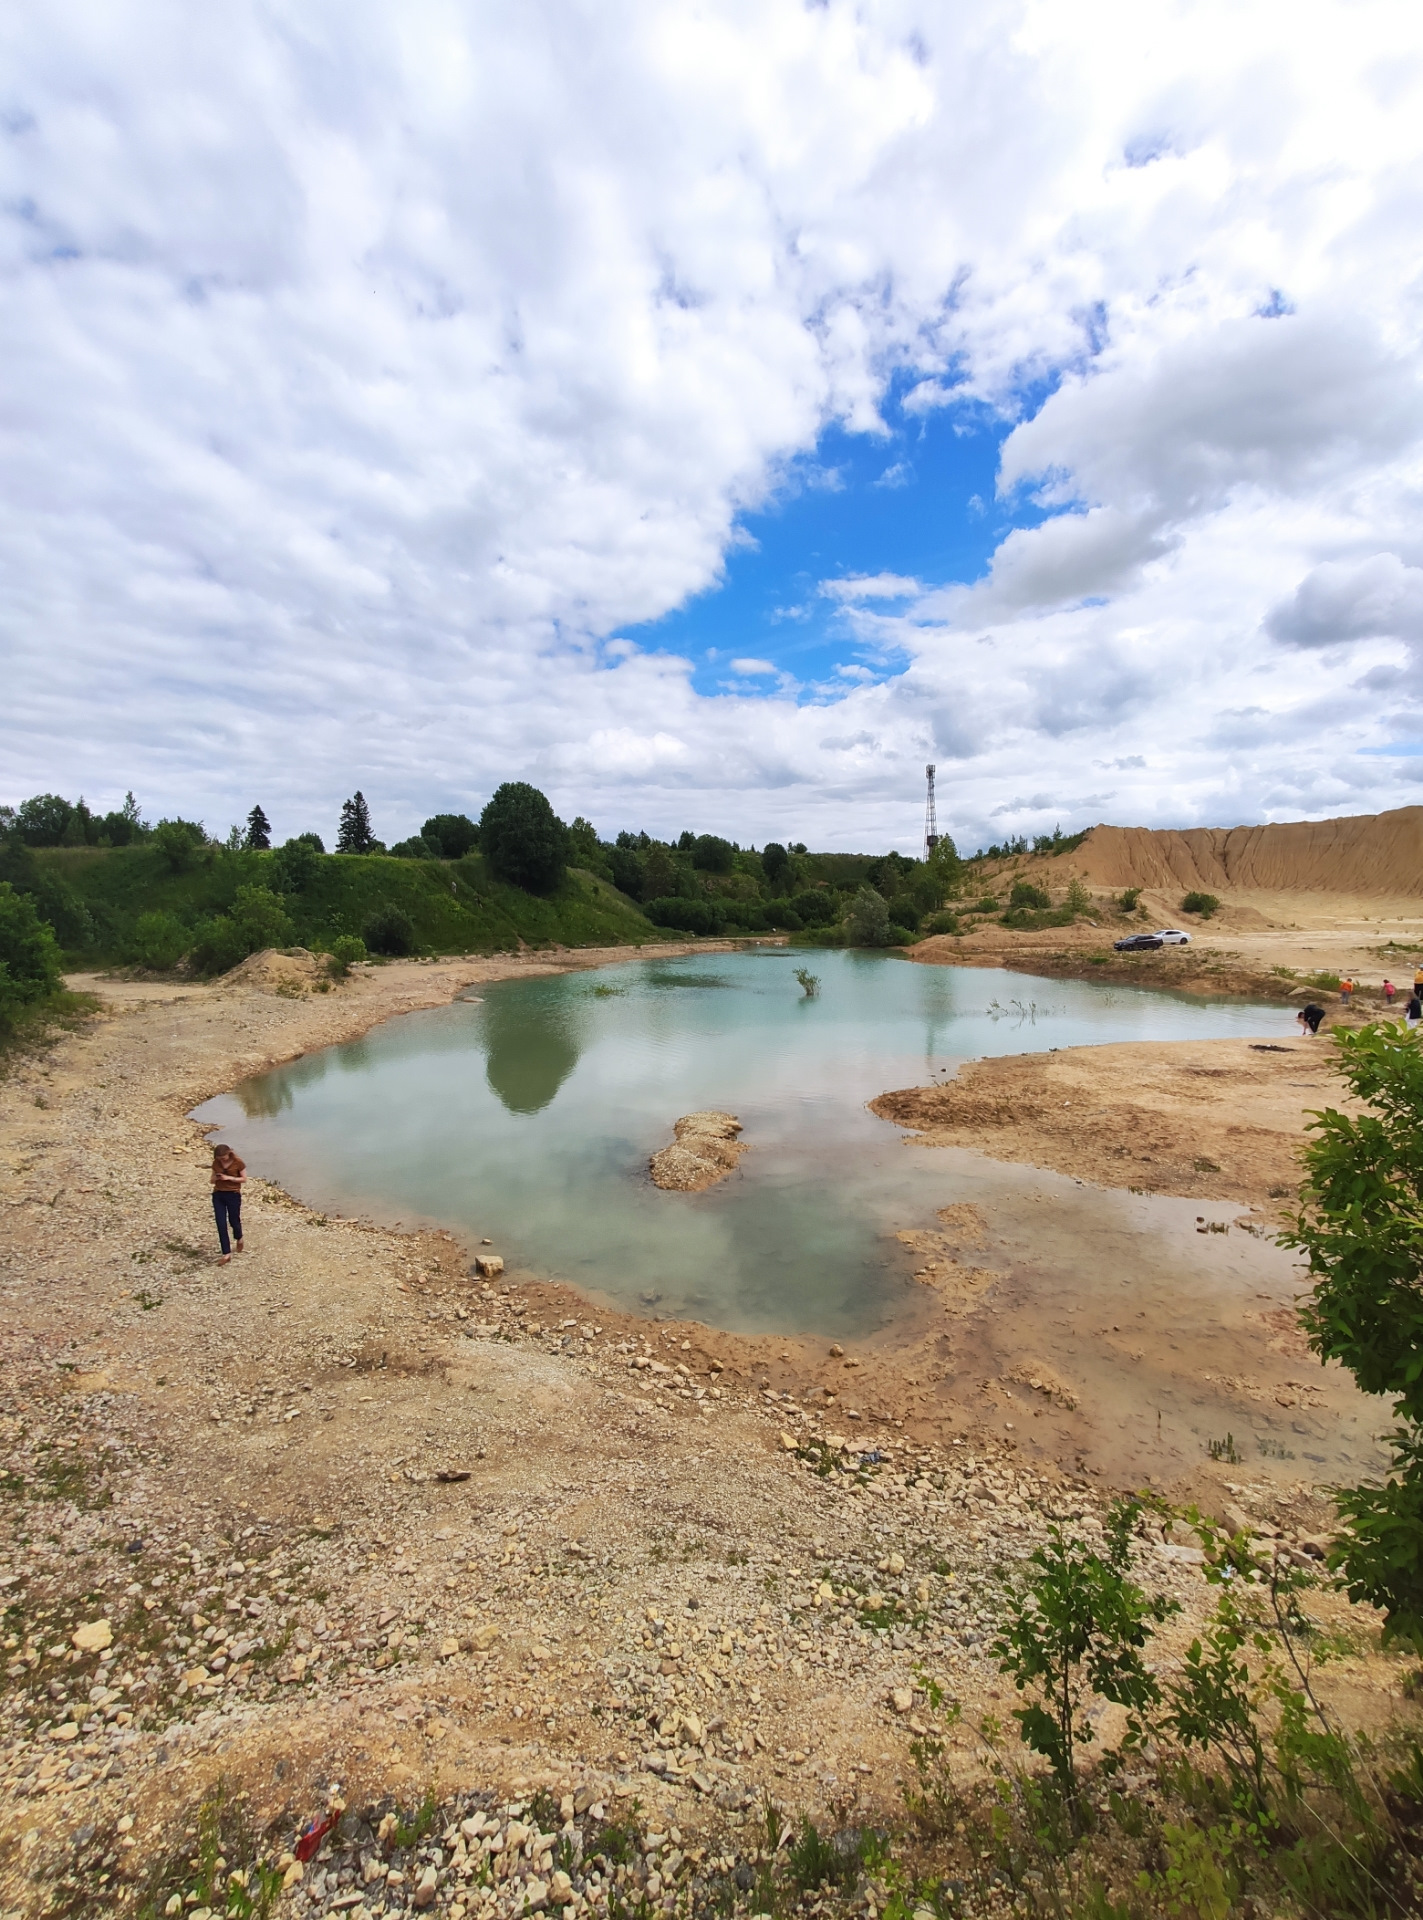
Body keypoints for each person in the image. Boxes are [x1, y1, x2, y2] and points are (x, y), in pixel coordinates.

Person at [210, 1142, 246, 1264]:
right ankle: (226, 1253)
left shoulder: (238, 1163)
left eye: (223, 1158)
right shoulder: (216, 1164)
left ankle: (239, 1238)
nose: (221, 1160)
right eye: (219, 1159)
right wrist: (217, 1177)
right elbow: (211, 1180)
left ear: (228, 1154)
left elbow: (244, 1179)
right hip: (218, 1194)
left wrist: (229, 1178)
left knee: (233, 1220)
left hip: (233, 1194)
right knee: (220, 1223)